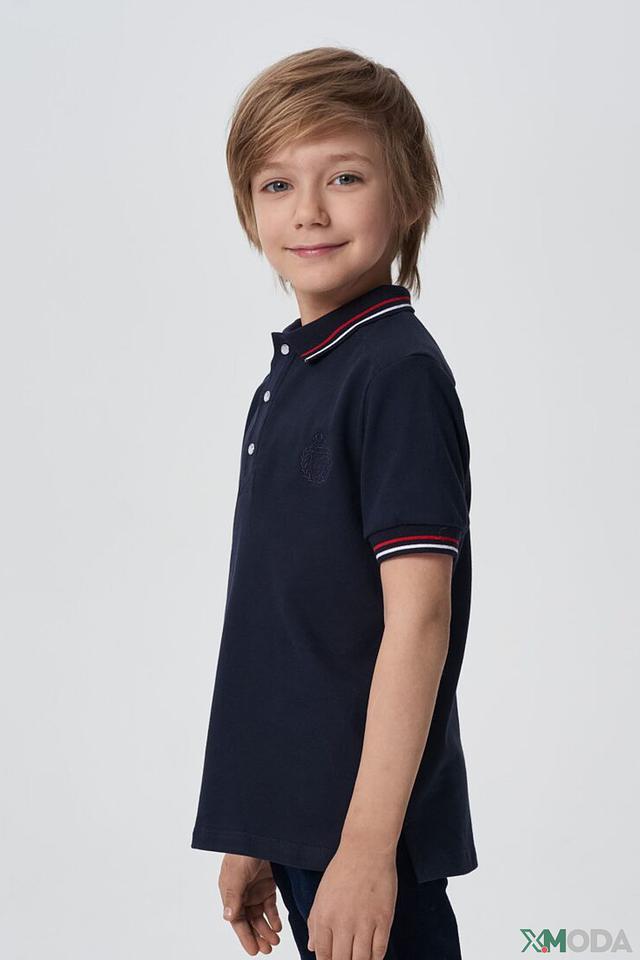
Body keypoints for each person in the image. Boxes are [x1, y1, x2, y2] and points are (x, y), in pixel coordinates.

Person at [191, 46, 478, 959]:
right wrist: (258, 826)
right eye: (277, 184)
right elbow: (287, 623)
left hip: (366, 836)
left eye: (344, 177)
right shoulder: (299, 370)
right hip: (305, 828)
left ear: (411, 195)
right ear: (249, 209)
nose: (308, 210)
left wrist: (365, 850)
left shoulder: (395, 374)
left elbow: (418, 620)